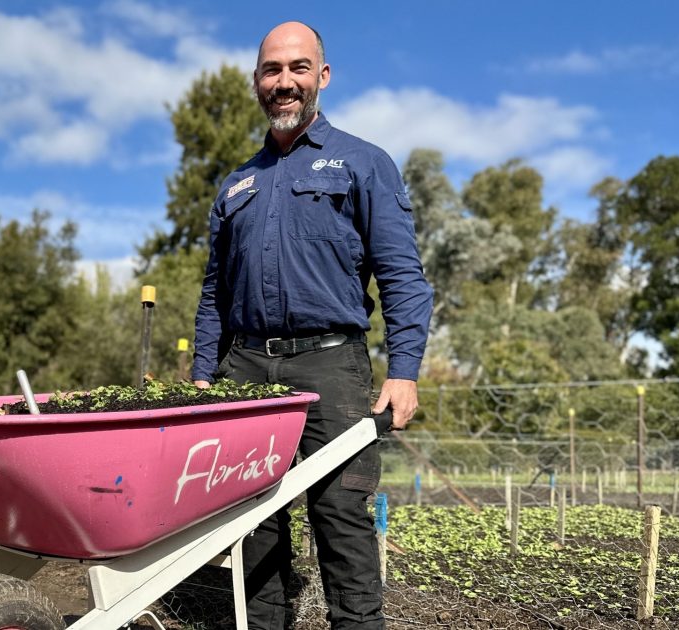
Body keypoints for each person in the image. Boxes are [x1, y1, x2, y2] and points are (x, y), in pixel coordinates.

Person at [191, 21, 433, 630]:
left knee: (342, 519)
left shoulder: (363, 163)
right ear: (256, 82)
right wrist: (201, 377)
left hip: (332, 366)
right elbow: (214, 293)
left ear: (322, 76)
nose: (284, 82)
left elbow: (402, 275)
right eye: (272, 70)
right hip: (244, 371)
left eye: (298, 68)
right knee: (251, 524)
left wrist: (404, 372)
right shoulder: (236, 184)